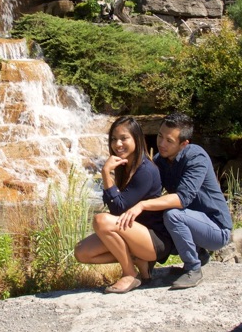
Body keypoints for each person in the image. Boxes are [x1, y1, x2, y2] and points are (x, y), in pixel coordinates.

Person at [118, 113, 232, 289]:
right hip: (192, 223)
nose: (161, 144)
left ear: (184, 144)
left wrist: (141, 205)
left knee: (172, 214)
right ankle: (192, 255)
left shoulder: (196, 157)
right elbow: (149, 193)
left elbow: (182, 199)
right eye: (159, 136)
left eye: (169, 141)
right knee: (154, 212)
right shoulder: (160, 161)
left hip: (216, 229)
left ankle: (193, 269)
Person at [74, 116, 174, 294]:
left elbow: (118, 209)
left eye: (123, 138)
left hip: (154, 239)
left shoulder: (146, 170)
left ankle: (129, 274)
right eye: (113, 139)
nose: (117, 144)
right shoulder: (124, 165)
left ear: (136, 138)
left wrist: (105, 173)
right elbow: (120, 209)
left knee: (101, 221)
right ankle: (138, 260)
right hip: (133, 233)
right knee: (82, 252)